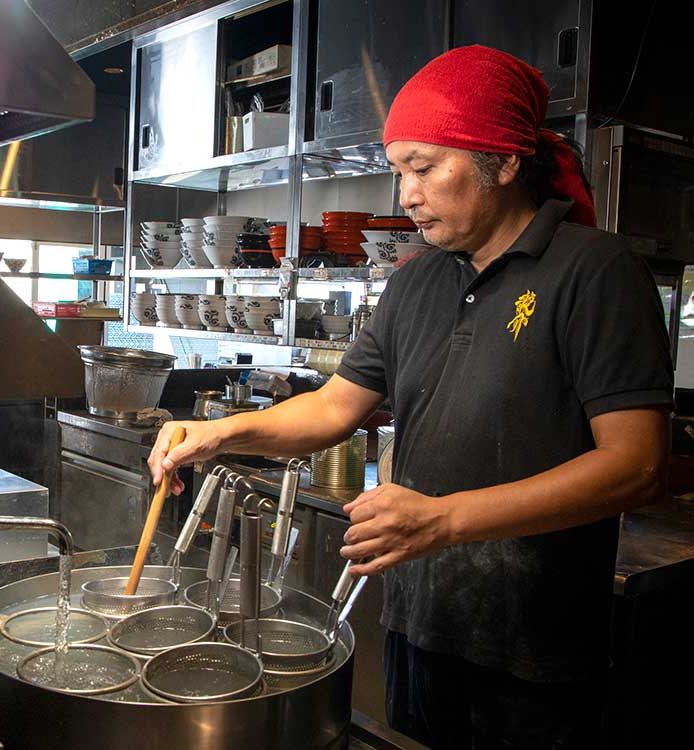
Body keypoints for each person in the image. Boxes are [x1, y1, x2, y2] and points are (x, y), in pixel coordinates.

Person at [148, 45, 673, 750]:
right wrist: (219, 434)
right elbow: (335, 408)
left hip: (534, 651)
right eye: (399, 170)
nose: (406, 194)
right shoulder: (416, 283)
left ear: (504, 162)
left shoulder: (596, 272)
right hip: (419, 624)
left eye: (424, 168)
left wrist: (444, 520)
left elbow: (636, 464)